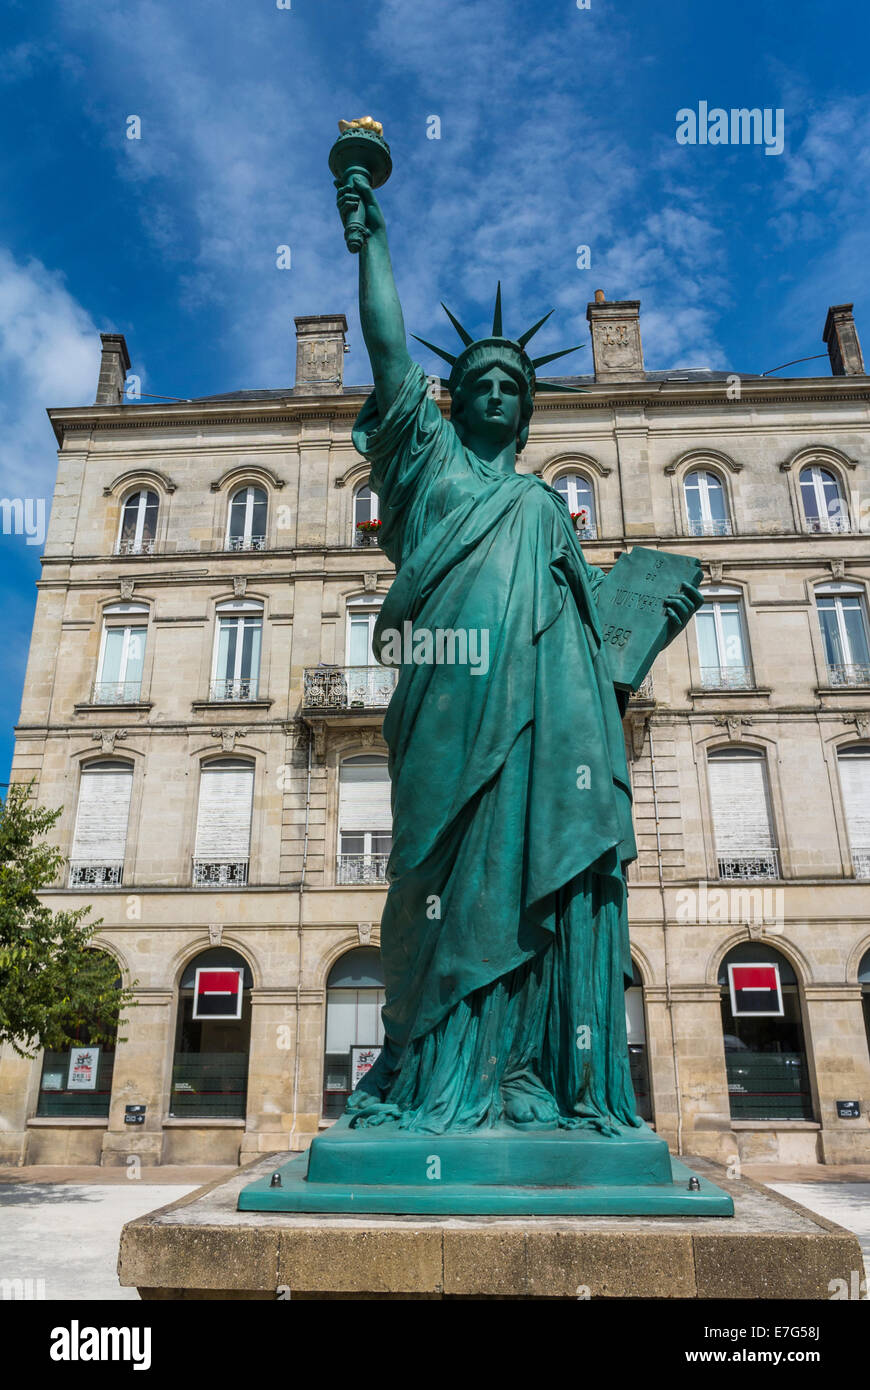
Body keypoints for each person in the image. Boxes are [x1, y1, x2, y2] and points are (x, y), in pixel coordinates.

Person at [335, 172, 700, 1135]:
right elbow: (387, 350)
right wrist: (371, 238)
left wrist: (645, 623)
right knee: (430, 882)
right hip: (444, 704)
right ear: (452, 403)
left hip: (541, 723)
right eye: (481, 382)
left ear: (528, 411)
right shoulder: (428, 464)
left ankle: (517, 1073)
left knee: (531, 872)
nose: (497, 390)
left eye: (513, 384)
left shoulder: (543, 506)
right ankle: (424, 1074)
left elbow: (586, 637)